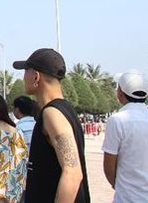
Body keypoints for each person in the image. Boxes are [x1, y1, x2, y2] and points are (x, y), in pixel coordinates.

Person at [13, 48, 90, 202]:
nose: (23, 77)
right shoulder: (64, 110)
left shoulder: (52, 113)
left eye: (25, 71)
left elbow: (73, 173)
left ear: (36, 76)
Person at [101, 70, 148, 202]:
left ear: (120, 92)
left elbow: (109, 167)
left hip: (127, 198)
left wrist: (120, 186)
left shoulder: (117, 120)